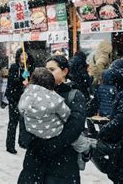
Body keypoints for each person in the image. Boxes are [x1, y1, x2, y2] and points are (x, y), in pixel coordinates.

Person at [18, 55, 86, 183]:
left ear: (65, 71)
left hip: (62, 166)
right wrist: (31, 142)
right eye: (46, 69)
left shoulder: (74, 95)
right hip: (34, 165)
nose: (47, 73)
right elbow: (24, 120)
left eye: (52, 69)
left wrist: (52, 146)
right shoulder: (33, 94)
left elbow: (75, 127)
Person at [5, 48, 35, 154]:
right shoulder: (14, 67)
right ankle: (10, 145)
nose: (24, 57)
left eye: (25, 55)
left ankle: (22, 141)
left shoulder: (29, 67)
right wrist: (21, 79)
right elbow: (12, 82)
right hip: (14, 97)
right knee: (13, 122)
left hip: (25, 97)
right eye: (22, 55)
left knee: (23, 121)